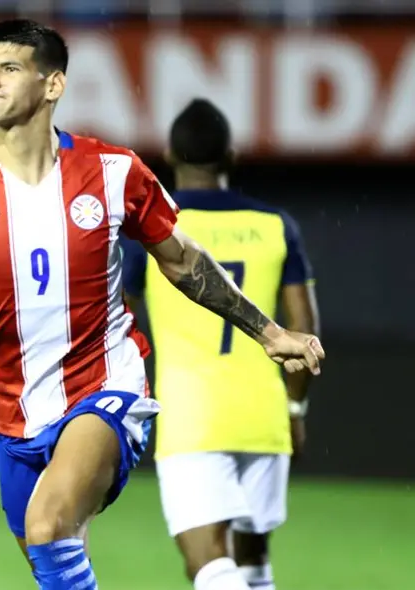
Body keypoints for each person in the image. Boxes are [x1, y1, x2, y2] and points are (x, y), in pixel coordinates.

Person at [0, 20, 324, 590]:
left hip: (106, 384)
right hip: (11, 409)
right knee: (52, 555)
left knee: (46, 521)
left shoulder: (114, 173)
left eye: (9, 68)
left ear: (53, 85)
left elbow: (182, 261)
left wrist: (269, 333)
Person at [121, 98, 319, 590]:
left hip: (193, 416)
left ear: (168, 153)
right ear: (231, 156)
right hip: (265, 413)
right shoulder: (277, 226)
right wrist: (295, 412)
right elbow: (304, 327)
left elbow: (114, 317)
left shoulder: (153, 229)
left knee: (207, 565)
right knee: (253, 562)